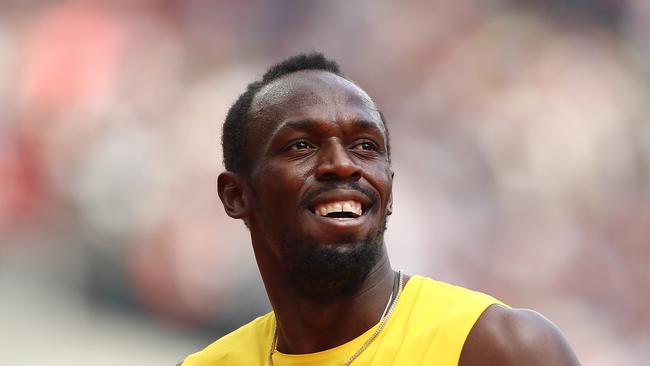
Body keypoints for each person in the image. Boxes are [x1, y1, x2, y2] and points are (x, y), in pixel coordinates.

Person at [179, 53, 581, 366]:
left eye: (366, 146)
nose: (343, 164)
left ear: (389, 188)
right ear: (236, 196)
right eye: (301, 145)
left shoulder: (499, 348)